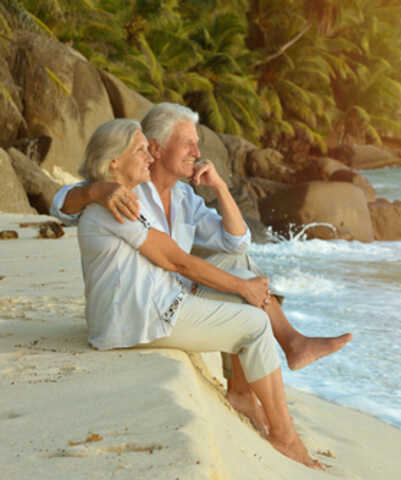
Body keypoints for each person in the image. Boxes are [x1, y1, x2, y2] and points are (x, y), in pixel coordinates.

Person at [51, 103, 351, 419]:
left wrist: (220, 187)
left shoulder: (184, 197)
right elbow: (61, 204)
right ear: (156, 147)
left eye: (198, 143)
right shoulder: (125, 189)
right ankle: (279, 355)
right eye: (188, 143)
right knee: (243, 291)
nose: (197, 151)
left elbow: (237, 241)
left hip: (169, 292)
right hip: (144, 305)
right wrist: (95, 190)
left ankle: (265, 368)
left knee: (238, 260)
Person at [76, 118, 321, 469]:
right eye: (141, 150)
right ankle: (286, 438)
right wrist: (244, 287)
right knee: (253, 324)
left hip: (137, 309)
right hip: (138, 318)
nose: (149, 157)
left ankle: (244, 394)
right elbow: (178, 261)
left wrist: (243, 284)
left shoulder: (123, 198)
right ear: (114, 162)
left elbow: (228, 244)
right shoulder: (115, 205)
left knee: (242, 282)